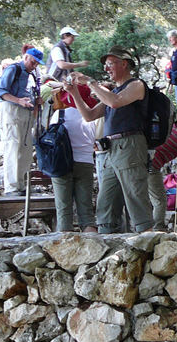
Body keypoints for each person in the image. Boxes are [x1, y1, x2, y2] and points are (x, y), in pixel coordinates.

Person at [66, 46, 154, 233]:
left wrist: (90, 82)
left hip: (130, 146)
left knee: (135, 195)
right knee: (105, 201)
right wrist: (74, 92)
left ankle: (147, 241)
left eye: (110, 64)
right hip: (109, 150)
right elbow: (89, 116)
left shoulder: (136, 85)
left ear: (124, 64)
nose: (106, 69)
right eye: (105, 65)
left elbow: (115, 101)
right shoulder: (113, 92)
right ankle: (109, 241)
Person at [0, 46, 45, 196]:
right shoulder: (13, 69)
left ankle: (22, 185)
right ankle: (12, 187)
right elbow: (0, 91)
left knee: (25, 149)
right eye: (33, 62)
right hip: (11, 110)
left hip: (25, 112)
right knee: (13, 147)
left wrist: (35, 100)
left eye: (37, 63)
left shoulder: (31, 74)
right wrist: (18, 100)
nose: (34, 65)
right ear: (26, 57)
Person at [50, 106, 97, 232]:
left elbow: (51, 137)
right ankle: (93, 246)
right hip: (86, 162)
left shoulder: (60, 114)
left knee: (64, 210)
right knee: (87, 212)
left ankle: (65, 247)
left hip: (62, 163)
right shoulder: (90, 114)